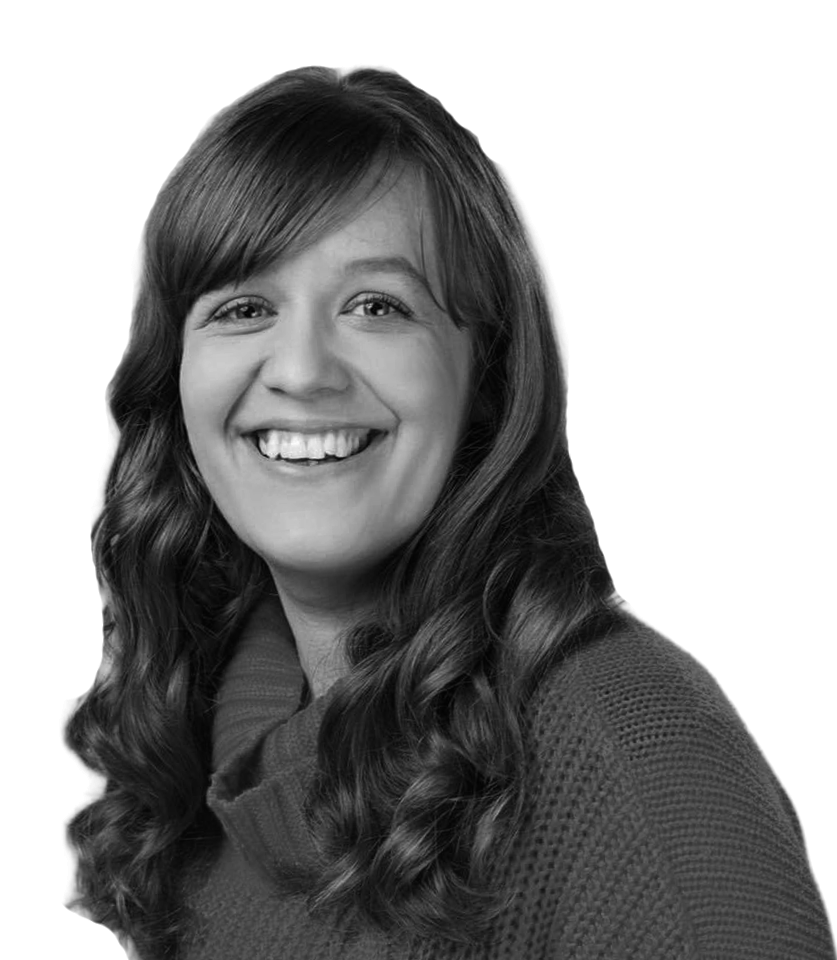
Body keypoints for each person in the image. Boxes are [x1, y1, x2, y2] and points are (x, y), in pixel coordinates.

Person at [65, 66, 835, 960]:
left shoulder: (631, 749)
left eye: (378, 306)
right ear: (177, 382)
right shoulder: (201, 775)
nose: (304, 369)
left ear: (487, 375)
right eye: (242, 307)